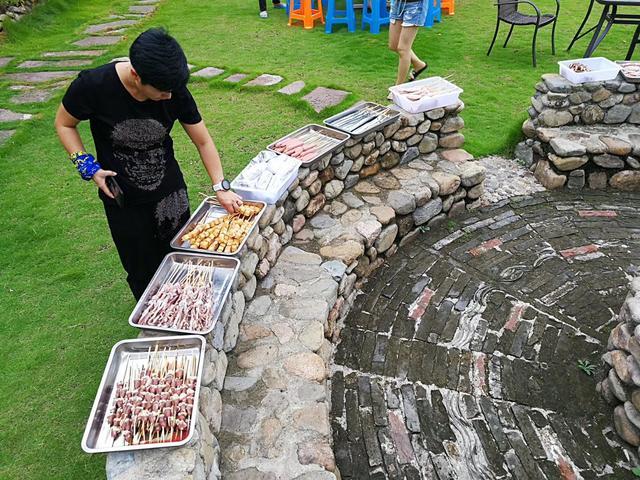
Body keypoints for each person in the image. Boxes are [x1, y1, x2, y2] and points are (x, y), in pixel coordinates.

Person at [54, 28, 242, 300]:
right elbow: (64, 123)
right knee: (141, 269)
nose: (168, 97)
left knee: (182, 257)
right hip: (122, 198)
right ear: (136, 76)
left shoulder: (174, 89)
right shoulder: (93, 85)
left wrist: (220, 186)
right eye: (161, 92)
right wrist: (87, 166)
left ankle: (186, 310)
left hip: (170, 193)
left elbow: (203, 141)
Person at [388, 0, 429, 87]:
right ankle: (419, 65)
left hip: (415, 5)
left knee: (403, 49)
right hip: (397, 3)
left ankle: (398, 88)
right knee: (393, 45)